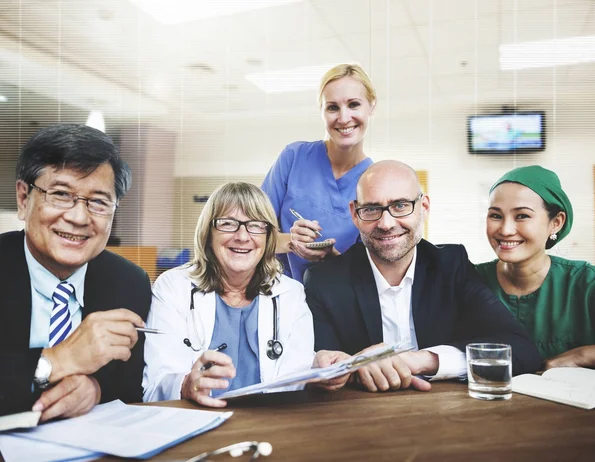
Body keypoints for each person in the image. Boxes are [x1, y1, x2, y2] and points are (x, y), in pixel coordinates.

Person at [305, 160, 542, 393]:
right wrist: (347, 365)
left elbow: (521, 350)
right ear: (355, 214)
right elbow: (323, 370)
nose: (386, 224)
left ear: (424, 207)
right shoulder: (324, 281)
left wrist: (423, 360)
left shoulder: (451, 265)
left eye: (400, 206)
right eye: (371, 210)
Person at [0, 124, 151, 420]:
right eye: (60, 194)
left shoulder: (130, 282)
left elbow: (131, 381)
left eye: (98, 201)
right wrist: (59, 360)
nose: (79, 217)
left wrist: (96, 388)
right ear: (23, 199)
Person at [143, 182, 314, 408]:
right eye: (227, 224)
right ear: (208, 232)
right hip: (193, 424)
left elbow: (296, 385)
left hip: (269, 425)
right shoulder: (173, 288)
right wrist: (185, 385)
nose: (242, 236)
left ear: (268, 236)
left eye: (255, 225)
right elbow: (155, 386)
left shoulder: (290, 294)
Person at [476, 165, 595, 369]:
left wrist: (581, 355)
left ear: (556, 223)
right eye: (496, 216)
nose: (505, 230)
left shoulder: (589, 285)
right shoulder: (468, 280)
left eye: (522, 215)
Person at [262, 63, 376, 282]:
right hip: (282, 298)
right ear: (322, 112)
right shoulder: (294, 157)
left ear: (371, 106)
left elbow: (372, 268)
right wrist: (290, 241)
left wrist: (330, 256)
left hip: (339, 306)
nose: (343, 118)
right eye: (332, 107)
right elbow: (252, 233)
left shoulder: (374, 182)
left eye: (354, 104)